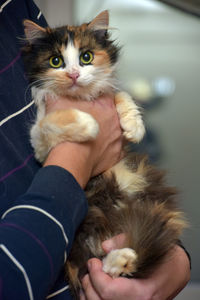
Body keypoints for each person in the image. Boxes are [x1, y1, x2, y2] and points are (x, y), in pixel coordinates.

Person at [0, 0, 190, 299]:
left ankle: (130, 254)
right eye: (56, 62)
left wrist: (177, 261)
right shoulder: (42, 98)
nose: (74, 73)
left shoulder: (15, 8)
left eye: (86, 57)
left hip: (115, 208)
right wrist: (80, 150)